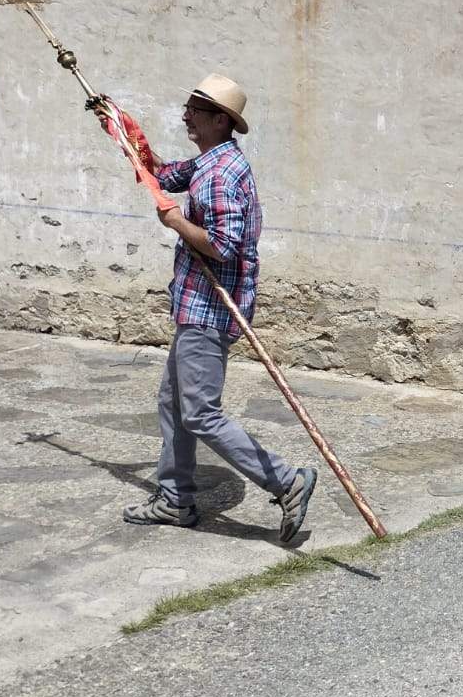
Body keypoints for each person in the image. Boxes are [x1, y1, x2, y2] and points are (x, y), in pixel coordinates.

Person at [101, 75, 318, 539]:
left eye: (195, 110)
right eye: (187, 107)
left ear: (222, 121)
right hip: (197, 303)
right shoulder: (207, 164)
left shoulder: (220, 174)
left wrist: (176, 221)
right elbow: (157, 174)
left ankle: (287, 481)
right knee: (173, 402)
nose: (186, 116)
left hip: (210, 306)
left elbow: (224, 246)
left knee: (199, 411)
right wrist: (121, 128)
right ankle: (175, 499)